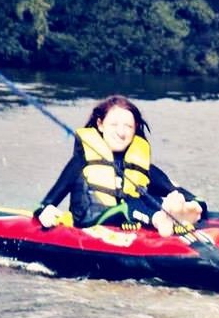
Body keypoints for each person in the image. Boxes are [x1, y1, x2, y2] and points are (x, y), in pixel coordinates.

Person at [34, 95, 206, 236]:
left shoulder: (142, 167)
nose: (121, 132)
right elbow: (46, 204)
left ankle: (177, 215)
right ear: (100, 124)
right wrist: (46, 212)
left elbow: (183, 194)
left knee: (154, 199)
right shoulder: (81, 162)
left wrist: (196, 205)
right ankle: (161, 219)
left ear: (135, 128)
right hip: (92, 222)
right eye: (114, 125)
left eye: (128, 126)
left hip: (134, 222)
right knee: (129, 204)